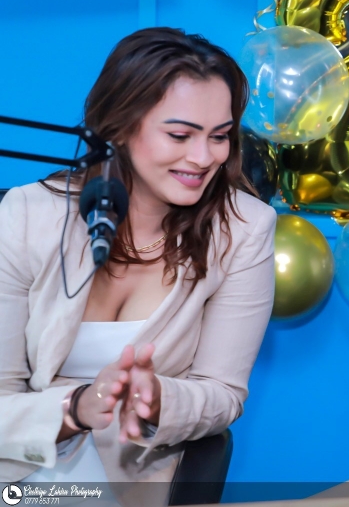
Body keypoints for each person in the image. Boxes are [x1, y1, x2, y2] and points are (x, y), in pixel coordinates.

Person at [0, 28, 276, 504]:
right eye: (180, 135)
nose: (203, 158)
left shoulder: (244, 228)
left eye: (220, 136)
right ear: (120, 128)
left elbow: (222, 393)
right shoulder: (29, 215)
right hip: (22, 467)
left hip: (134, 477)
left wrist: (159, 398)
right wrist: (77, 407)